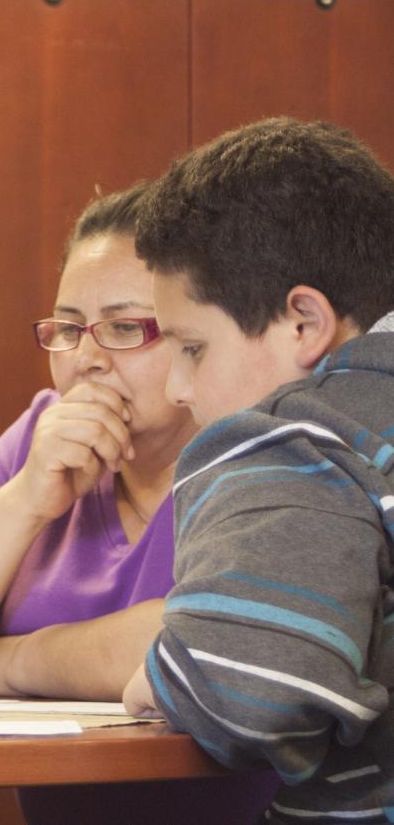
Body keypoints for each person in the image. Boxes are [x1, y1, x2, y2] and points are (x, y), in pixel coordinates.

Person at [0, 184, 277, 824]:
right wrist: (27, 498)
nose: (86, 360)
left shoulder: (253, 440)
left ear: (196, 329)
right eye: (68, 329)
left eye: (122, 328)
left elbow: (205, 636)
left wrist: (7, 663)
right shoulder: (44, 432)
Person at [123, 117, 394, 823]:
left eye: (191, 347)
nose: (178, 390)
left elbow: (251, 690)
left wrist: (163, 679)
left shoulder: (298, 433)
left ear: (304, 322)